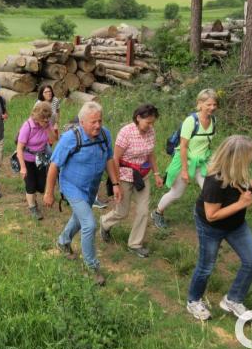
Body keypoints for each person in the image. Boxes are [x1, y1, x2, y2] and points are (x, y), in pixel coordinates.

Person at [186, 135, 252, 321]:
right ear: (237, 159)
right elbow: (211, 215)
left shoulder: (238, 172)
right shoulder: (214, 181)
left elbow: (247, 183)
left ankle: (232, 299)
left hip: (236, 225)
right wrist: (240, 204)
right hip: (211, 227)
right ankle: (193, 301)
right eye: (249, 156)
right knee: (206, 267)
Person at [44, 102, 122, 286]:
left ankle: (63, 241)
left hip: (91, 187)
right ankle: (91, 267)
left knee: (80, 218)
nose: (98, 125)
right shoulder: (70, 138)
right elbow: (54, 165)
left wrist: (115, 183)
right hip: (72, 186)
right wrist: (49, 192)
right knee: (89, 224)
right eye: (93, 122)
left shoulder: (105, 135)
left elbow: (109, 159)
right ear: (82, 122)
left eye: (100, 120)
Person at [100, 104, 164, 258]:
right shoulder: (126, 132)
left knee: (143, 211)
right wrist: (116, 183)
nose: (151, 126)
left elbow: (150, 154)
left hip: (143, 176)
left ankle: (135, 244)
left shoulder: (151, 131)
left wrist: (156, 173)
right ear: (138, 118)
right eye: (148, 122)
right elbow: (115, 158)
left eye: (153, 122)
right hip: (125, 175)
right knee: (122, 212)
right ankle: (105, 222)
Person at [153, 89, 218, 230]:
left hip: (202, 162)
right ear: (200, 104)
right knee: (176, 194)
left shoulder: (213, 120)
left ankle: (207, 218)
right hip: (185, 161)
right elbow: (183, 147)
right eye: (208, 104)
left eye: (214, 104)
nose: (212, 108)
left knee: (210, 191)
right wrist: (184, 170)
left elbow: (206, 143)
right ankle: (158, 212)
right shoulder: (191, 121)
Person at [16, 102, 57, 220]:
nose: (46, 120)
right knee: (31, 185)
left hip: (41, 158)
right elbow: (19, 148)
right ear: (37, 116)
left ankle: (33, 198)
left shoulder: (47, 124)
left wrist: (47, 128)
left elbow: (53, 139)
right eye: (43, 118)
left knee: (41, 185)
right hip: (27, 159)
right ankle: (32, 207)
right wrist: (23, 167)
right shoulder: (28, 126)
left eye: (48, 118)